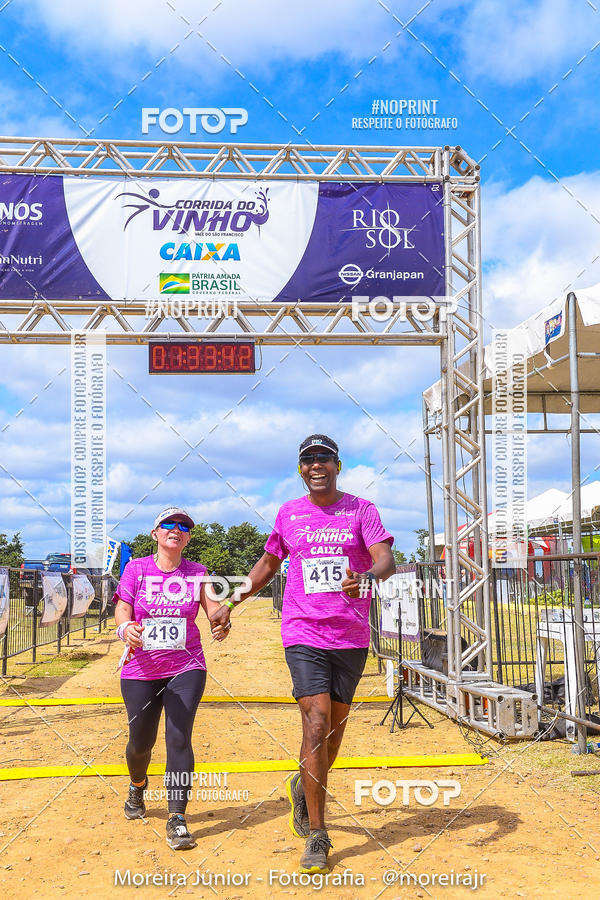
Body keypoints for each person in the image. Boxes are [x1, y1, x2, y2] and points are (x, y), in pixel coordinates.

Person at [210, 435, 395, 873]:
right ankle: (318, 833)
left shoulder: (361, 510)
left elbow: (385, 558)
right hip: (302, 630)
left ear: (338, 465)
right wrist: (229, 603)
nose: (316, 466)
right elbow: (268, 565)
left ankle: (302, 784)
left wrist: (366, 575)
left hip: (349, 636)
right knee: (315, 721)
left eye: (323, 459)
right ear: (300, 469)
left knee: (332, 734)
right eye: (307, 460)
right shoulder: (288, 513)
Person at [114, 506, 230, 850]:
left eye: (183, 527)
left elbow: (213, 609)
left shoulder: (198, 572)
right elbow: (123, 607)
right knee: (140, 743)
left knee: (179, 737)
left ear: (188, 538)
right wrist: (124, 628)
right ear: (156, 533)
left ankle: (177, 817)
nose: (176, 529)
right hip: (141, 669)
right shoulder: (137, 569)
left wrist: (221, 620)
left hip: (186, 666)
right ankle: (137, 785)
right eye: (169, 524)